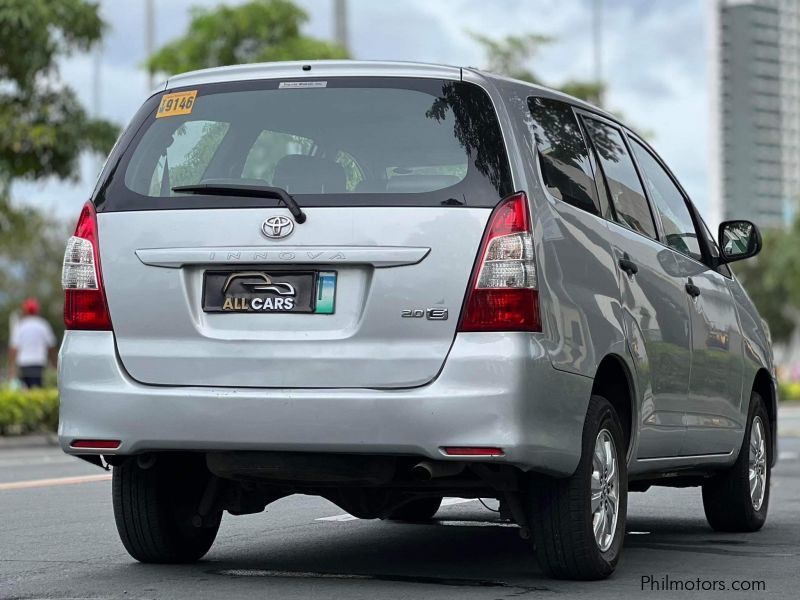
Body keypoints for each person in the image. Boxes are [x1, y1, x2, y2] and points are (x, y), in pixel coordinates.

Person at [8, 298, 57, 388]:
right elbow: (51, 346)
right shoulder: (43, 325)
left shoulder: (20, 326)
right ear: (37, 310)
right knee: (37, 388)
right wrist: (54, 364)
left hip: (23, 363)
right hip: (38, 362)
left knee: (24, 389)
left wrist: (12, 367)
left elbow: (14, 348)